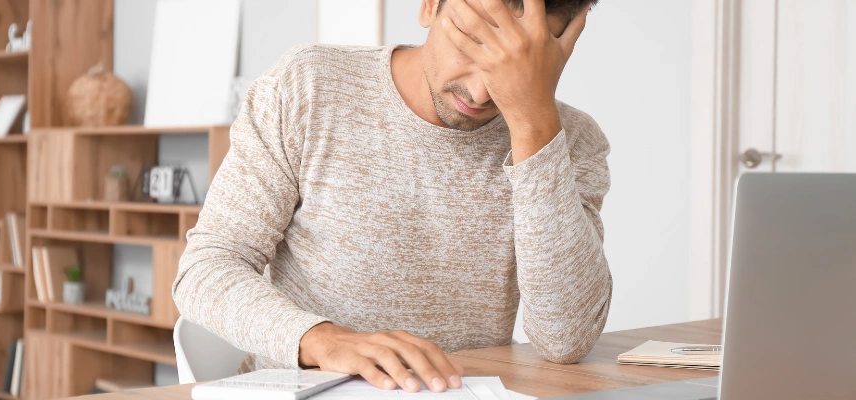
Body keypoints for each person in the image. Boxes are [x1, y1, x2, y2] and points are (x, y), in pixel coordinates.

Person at [173, 0, 611, 393]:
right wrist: (322, 340)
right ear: (429, 6)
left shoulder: (567, 142)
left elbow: (565, 338)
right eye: (472, 43)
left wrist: (533, 123)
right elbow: (206, 268)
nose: (479, 93)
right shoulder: (309, 87)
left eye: (516, 65)